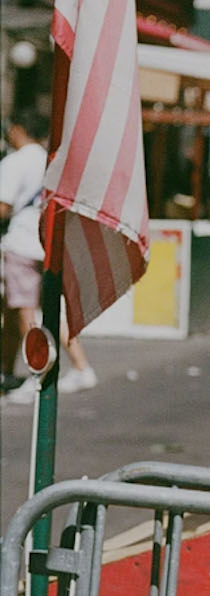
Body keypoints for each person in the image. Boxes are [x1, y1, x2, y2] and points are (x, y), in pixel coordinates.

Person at [1, 110, 97, 401]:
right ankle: (79, 366)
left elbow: (3, 206)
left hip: (21, 243)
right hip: (49, 242)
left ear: (18, 130)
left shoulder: (13, 162)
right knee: (45, 309)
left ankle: (36, 374)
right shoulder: (50, 159)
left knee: (24, 311)